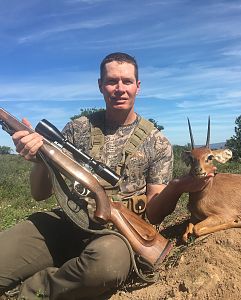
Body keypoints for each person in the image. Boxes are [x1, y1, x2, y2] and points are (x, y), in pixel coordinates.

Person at [0, 52, 209, 299]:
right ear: (100, 85)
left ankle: (27, 293)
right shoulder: (76, 128)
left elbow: (155, 213)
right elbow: (39, 194)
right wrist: (40, 161)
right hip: (68, 219)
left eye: (127, 81)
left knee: (106, 265)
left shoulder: (157, 141)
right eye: (111, 81)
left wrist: (177, 186)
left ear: (138, 87)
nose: (119, 88)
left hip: (118, 233)